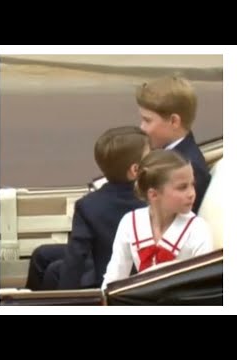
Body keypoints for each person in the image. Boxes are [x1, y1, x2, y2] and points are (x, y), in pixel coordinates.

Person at [26, 126, 149, 290]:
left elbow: (75, 260)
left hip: (105, 285)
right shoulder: (153, 200)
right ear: (135, 170)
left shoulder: (88, 206)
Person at [102, 149, 213, 288]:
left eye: (192, 185)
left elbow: (204, 286)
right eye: (182, 187)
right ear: (153, 195)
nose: (191, 193)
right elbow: (114, 277)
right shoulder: (130, 222)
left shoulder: (197, 228)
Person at [136, 74, 211, 212]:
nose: (142, 127)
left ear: (174, 121)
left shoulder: (187, 168)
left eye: (147, 120)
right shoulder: (172, 155)